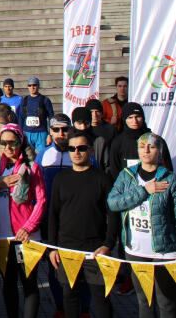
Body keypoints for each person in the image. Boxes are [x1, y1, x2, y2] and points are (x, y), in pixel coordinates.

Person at [0, 124, 46, 318]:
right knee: (8, 282)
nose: (7, 147)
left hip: (26, 236)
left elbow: (41, 200)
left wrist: (29, 227)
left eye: (12, 142)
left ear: (20, 142)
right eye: (3, 143)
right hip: (1, 235)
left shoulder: (32, 167)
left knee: (29, 283)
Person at [48, 130, 119, 318]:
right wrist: (52, 248)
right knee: (70, 297)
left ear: (91, 150)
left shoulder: (102, 179)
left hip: (95, 249)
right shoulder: (61, 179)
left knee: (101, 297)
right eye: (71, 148)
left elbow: (113, 215)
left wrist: (108, 244)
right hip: (67, 248)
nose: (76, 152)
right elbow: (53, 214)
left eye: (81, 148)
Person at [107, 132, 176, 317]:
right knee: (144, 301)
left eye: (151, 146)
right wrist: (144, 190)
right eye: (142, 146)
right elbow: (113, 203)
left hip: (164, 251)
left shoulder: (169, 179)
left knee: (166, 303)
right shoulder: (127, 175)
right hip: (135, 250)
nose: (145, 150)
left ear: (160, 151)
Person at [108, 102, 172, 179]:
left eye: (138, 116)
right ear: (124, 119)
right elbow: (115, 171)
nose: (134, 121)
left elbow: (167, 168)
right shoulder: (118, 142)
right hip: (128, 188)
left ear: (143, 118)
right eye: (130, 117)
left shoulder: (157, 140)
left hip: (156, 186)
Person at [15, 77, 53, 154]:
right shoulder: (24, 100)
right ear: (27, 87)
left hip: (41, 133)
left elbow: (51, 117)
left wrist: (50, 134)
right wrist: (20, 134)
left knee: (41, 156)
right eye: (30, 85)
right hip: (27, 133)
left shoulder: (45, 100)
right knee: (28, 157)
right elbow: (21, 117)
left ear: (38, 86)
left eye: (34, 85)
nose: (32, 87)